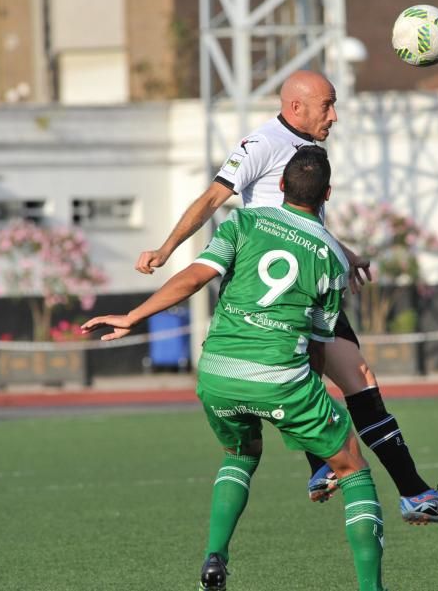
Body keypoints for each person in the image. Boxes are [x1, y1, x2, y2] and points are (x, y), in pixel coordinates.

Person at [134, 70, 438, 526]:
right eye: (327, 105)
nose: (334, 116)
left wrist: (344, 251)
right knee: (353, 379)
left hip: (299, 277)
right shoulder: (262, 144)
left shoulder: (306, 152)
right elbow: (211, 199)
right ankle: (403, 491)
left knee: (352, 379)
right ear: (296, 107)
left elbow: (299, 221)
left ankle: (342, 473)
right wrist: (166, 248)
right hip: (275, 289)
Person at [83, 148, 387, 591]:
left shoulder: (242, 223)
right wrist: (306, 402)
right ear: (327, 194)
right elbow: (318, 344)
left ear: (280, 185)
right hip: (282, 380)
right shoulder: (332, 256)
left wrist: (133, 316)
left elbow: (192, 279)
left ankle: (214, 555)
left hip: (217, 372)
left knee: (241, 454)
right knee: (353, 467)